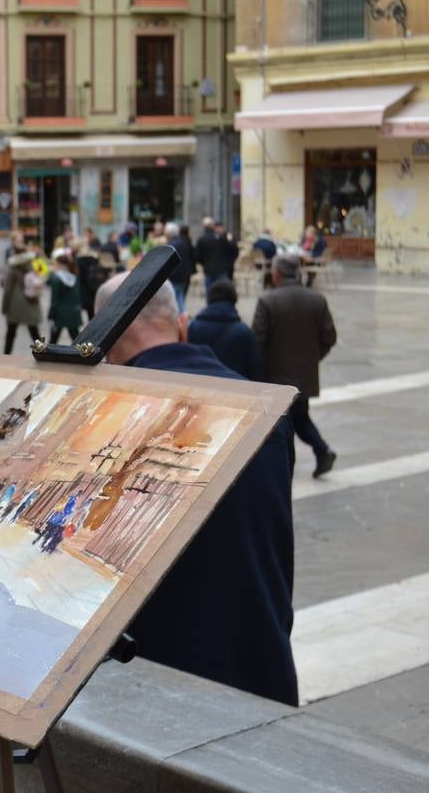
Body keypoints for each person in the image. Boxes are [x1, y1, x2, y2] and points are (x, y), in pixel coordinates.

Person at [94, 273, 299, 707]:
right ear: (182, 324)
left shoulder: (109, 419)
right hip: (259, 668)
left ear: (106, 345)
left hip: (156, 683)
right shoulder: (265, 409)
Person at [253, 253, 338, 478]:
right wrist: (313, 358)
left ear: (277, 273)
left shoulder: (268, 301)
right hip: (304, 374)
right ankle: (321, 451)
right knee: (299, 418)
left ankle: (318, 452)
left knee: (289, 422)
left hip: (276, 376)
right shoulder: (317, 300)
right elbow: (329, 337)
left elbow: (257, 341)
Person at [188, 279, 263, 381]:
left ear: (209, 298)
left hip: (201, 389)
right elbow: (256, 369)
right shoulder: (243, 331)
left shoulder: (193, 327)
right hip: (235, 390)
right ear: (234, 299)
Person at [1, 232, 43, 354]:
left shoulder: (12, 265)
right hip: (31, 300)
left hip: (15, 304)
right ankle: (42, 354)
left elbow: (8, 288)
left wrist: (5, 307)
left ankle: (6, 355)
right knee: (34, 333)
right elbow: (43, 274)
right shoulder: (33, 261)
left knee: (11, 333)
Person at [46, 253, 82, 344]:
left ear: (59, 264)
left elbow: (54, 300)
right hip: (73, 312)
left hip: (59, 314)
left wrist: (50, 315)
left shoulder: (56, 278)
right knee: (77, 341)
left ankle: (47, 358)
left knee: (53, 341)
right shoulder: (74, 277)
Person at [194, 217, 232, 292]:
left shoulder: (201, 239)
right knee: (223, 291)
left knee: (210, 292)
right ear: (212, 226)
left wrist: (204, 263)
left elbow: (197, 256)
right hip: (221, 269)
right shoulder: (221, 237)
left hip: (208, 269)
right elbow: (229, 250)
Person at [164, 221, 195, 313]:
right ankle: (182, 317)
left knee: (174, 299)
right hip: (182, 276)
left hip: (174, 276)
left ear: (169, 233)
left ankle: (178, 318)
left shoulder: (173, 245)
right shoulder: (181, 242)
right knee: (179, 298)